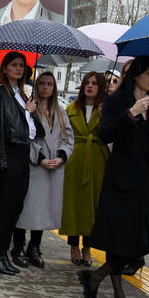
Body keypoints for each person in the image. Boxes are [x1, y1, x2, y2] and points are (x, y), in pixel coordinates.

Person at [79, 56, 149, 298]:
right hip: (122, 177)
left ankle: (95, 277)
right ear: (137, 74)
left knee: (137, 246)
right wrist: (132, 113)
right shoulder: (117, 100)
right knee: (119, 240)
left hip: (147, 181)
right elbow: (105, 134)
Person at [0, 52, 42, 276]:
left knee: (15, 209)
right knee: (5, 210)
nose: (19, 69)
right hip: (8, 155)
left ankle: (1, 254)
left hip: (22, 154)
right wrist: (1, 159)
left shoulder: (20, 94)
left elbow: (34, 131)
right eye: (14, 65)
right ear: (5, 68)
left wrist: (30, 112)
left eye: (22, 65)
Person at [12, 71, 73, 269]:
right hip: (34, 166)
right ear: (36, 86)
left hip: (53, 168)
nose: (45, 87)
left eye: (49, 84)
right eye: (42, 83)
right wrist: (40, 159)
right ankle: (18, 246)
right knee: (26, 209)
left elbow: (69, 138)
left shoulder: (60, 112)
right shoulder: (30, 109)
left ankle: (35, 247)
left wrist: (62, 157)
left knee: (44, 211)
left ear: (54, 88)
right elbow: (24, 136)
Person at [60, 72, 110, 267]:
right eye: (87, 83)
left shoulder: (106, 108)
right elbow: (64, 135)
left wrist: (105, 117)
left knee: (93, 206)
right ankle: (73, 245)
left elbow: (111, 134)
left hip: (97, 160)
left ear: (101, 87)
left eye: (95, 83)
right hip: (75, 159)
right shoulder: (71, 108)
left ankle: (88, 247)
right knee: (73, 204)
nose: (90, 86)